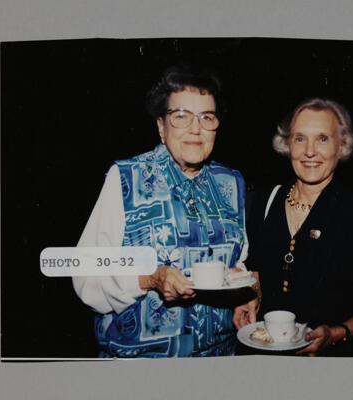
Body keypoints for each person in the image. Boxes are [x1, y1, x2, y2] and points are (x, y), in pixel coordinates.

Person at [73, 64, 247, 357]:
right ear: (161, 127)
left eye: (207, 117)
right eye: (181, 116)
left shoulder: (231, 182)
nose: (195, 128)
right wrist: (151, 278)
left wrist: (245, 291)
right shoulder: (126, 178)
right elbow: (86, 275)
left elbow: (238, 261)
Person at [233, 97, 353, 356]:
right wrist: (250, 297)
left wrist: (337, 333)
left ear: (341, 146)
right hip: (267, 355)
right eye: (299, 138)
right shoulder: (264, 202)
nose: (310, 151)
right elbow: (256, 270)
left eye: (322, 138)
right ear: (287, 144)